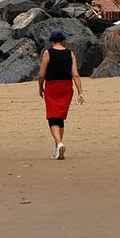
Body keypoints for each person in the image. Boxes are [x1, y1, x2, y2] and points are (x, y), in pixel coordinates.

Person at [37, 30, 83, 159]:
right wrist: (80, 92)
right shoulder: (70, 54)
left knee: (52, 117)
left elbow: (41, 74)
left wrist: (40, 87)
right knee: (60, 117)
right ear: (63, 40)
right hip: (66, 87)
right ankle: (57, 149)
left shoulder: (47, 53)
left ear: (51, 40)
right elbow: (75, 74)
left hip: (52, 86)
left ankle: (59, 143)